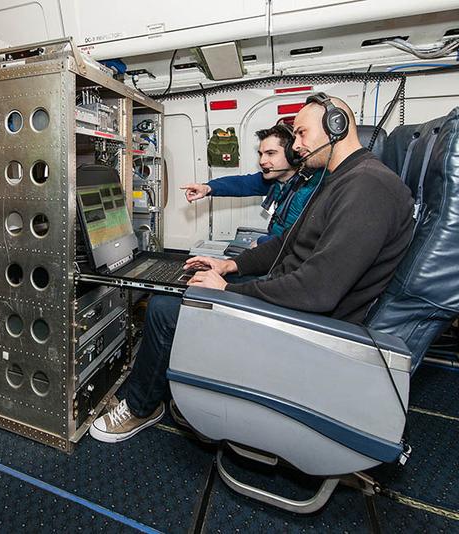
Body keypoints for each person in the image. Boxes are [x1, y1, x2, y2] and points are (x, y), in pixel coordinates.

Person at [89, 93, 414, 444]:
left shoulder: (368, 187)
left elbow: (317, 290)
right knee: (193, 283)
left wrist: (228, 290)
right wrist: (229, 265)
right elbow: (288, 243)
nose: (297, 146)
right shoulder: (339, 180)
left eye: (303, 134)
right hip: (292, 295)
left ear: (337, 126)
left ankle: (140, 406)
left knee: (165, 309)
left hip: (309, 327)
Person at [180, 125, 324, 245]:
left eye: (270, 153)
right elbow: (242, 184)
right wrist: (207, 188)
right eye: (261, 154)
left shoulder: (308, 189)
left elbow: (295, 238)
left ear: (292, 155)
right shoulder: (278, 181)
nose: (262, 161)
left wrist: (262, 243)